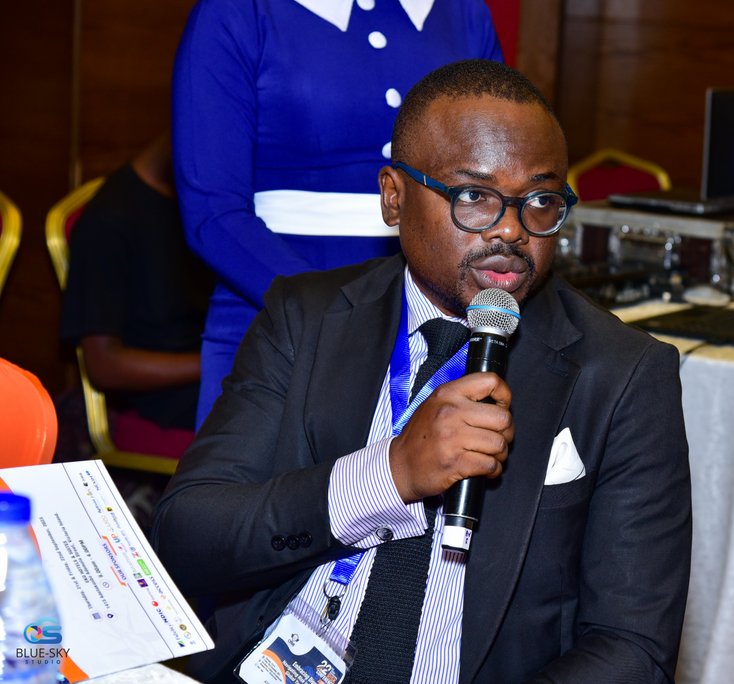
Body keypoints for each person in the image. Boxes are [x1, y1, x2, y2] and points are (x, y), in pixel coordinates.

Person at [152, 60, 691, 683]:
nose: (511, 230)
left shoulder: (622, 374)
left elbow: (632, 646)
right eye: (474, 197)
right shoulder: (306, 318)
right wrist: (391, 475)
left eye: (540, 200)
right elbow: (188, 535)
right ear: (394, 196)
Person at [172, 0, 504, 427]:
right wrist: (343, 315)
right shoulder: (239, 11)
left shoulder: (462, 11)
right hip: (273, 313)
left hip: (441, 317)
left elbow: (501, 176)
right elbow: (212, 213)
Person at [59, 132, 213, 438]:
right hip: (164, 395)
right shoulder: (109, 219)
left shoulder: (197, 202)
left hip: (208, 371)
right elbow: (104, 366)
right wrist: (218, 362)